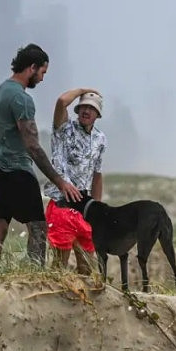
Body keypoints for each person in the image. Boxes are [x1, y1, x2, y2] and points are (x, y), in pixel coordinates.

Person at [0, 43, 81, 264]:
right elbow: (33, 146)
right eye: (43, 73)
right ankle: (35, 274)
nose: (42, 79)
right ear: (32, 67)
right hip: (19, 172)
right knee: (38, 226)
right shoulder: (22, 99)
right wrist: (59, 181)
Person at [44, 88, 107, 274]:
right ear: (77, 110)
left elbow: (97, 174)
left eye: (92, 108)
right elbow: (61, 101)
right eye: (83, 107)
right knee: (59, 267)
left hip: (85, 206)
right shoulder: (63, 129)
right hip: (62, 204)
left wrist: (98, 209)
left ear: (98, 114)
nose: (87, 111)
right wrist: (83, 90)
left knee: (87, 268)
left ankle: (82, 301)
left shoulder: (100, 139)